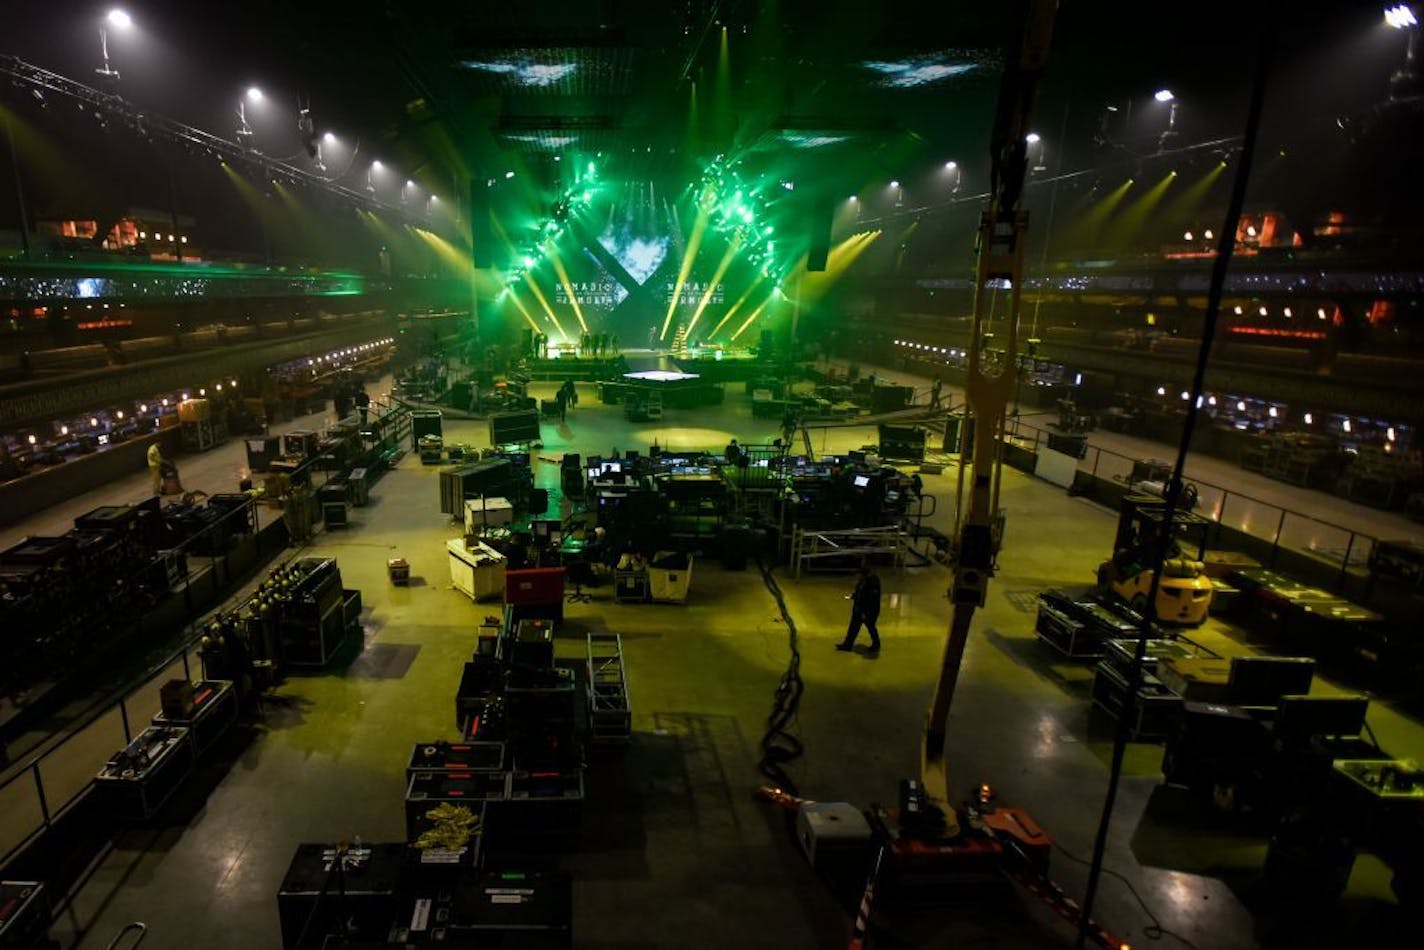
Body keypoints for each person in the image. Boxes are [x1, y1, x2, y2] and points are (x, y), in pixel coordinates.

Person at [836, 565, 882, 654]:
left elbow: (871, 600)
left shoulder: (873, 582)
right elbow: (860, 592)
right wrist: (853, 596)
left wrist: (866, 613)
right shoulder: (863, 580)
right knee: (853, 627)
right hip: (859, 609)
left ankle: (876, 644)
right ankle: (847, 644)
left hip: (868, 611)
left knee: (871, 627)